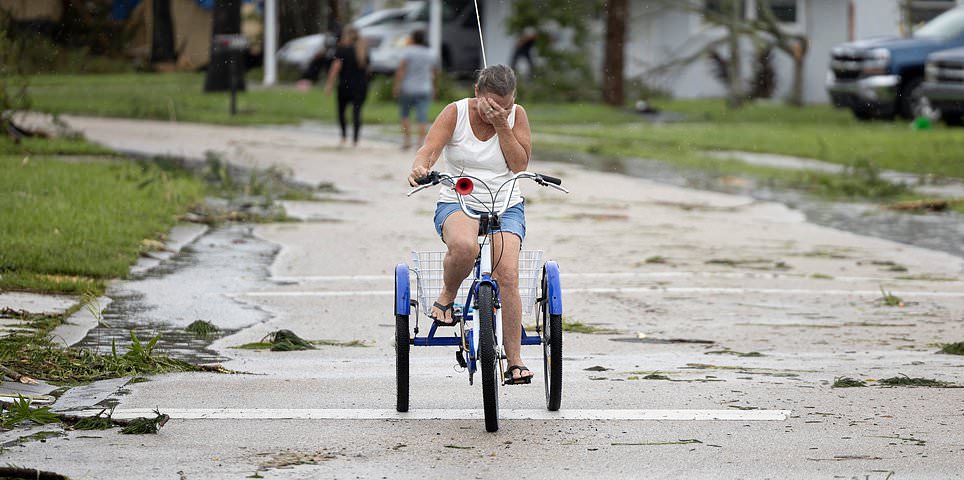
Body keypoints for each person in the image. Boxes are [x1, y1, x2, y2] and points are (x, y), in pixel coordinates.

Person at [407, 65, 534, 385]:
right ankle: (447, 295)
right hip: (458, 200)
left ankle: (515, 360)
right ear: (477, 93)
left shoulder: (516, 116)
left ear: (513, 99)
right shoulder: (456, 112)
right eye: (491, 104)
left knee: (508, 274)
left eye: (505, 105)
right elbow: (429, 150)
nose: (497, 109)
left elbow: (519, 164)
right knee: (465, 247)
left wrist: (502, 124)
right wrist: (421, 167)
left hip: (505, 203)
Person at [324, 27, 369, 147]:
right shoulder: (364, 50)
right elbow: (368, 70)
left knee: (341, 111)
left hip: (345, 85)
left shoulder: (342, 50)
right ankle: (355, 140)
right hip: (361, 86)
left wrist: (329, 84)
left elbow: (335, 67)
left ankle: (344, 136)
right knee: (357, 112)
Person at [393, 30, 436, 150]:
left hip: (408, 88)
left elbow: (401, 69)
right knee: (422, 116)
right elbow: (433, 72)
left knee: (405, 115)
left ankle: (407, 141)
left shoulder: (408, 52)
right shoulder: (430, 53)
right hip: (425, 88)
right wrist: (434, 88)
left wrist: (397, 85)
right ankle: (420, 143)